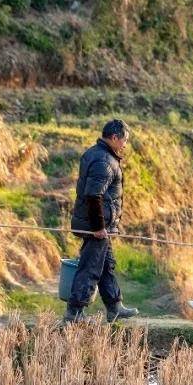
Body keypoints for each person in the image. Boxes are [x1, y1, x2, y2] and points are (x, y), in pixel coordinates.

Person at [63, 119, 139, 323]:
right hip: (96, 225)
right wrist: (98, 227)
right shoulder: (104, 161)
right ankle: (75, 313)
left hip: (98, 224)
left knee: (106, 265)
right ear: (114, 138)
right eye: (124, 140)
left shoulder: (96, 153)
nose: (125, 144)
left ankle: (114, 306)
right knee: (90, 267)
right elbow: (93, 195)